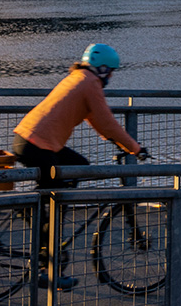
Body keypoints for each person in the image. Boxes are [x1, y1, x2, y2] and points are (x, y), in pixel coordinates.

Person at [11, 43, 143, 288]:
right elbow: (107, 122)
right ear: (101, 68)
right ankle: (46, 267)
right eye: (111, 71)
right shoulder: (90, 83)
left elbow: (97, 120)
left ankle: (39, 214)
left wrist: (121, 142)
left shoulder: (79, 77)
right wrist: (135, 148)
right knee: (54, 201)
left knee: (79, 165)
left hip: (31, 140)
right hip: (38, 145)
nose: (111, 76)